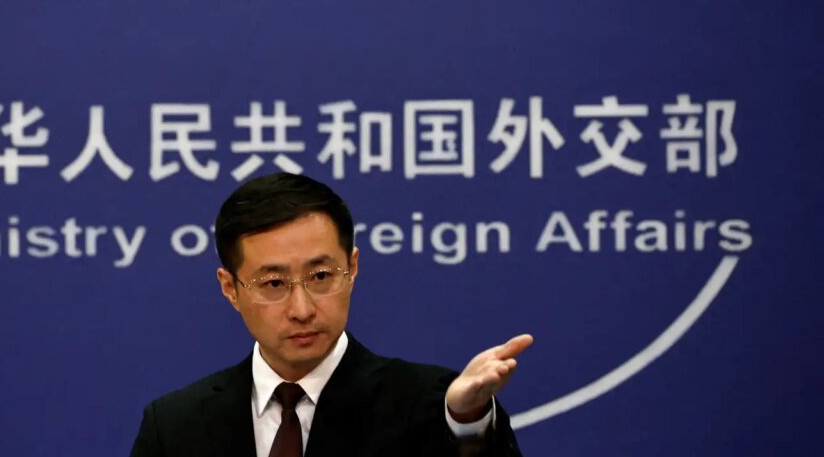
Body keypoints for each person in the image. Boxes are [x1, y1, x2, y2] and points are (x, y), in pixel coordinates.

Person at [130, 173, 532, 456]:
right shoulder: (175, 427)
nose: (302, 309)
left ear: (352, 268)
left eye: (321, 276)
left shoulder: (428, 405)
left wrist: (468, 425)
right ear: (230, 288)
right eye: (274, 284)